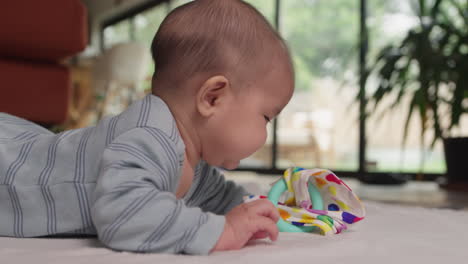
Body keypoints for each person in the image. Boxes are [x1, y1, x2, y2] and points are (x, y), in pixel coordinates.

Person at [0, 0, 294, 255]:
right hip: (12, 168)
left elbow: (221, 199)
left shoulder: (194, 161)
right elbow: (123, 215)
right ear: (212, 97)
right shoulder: (149, 137)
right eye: (266, 117)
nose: (265, 133)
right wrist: (223, 231)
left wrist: (261, 206)